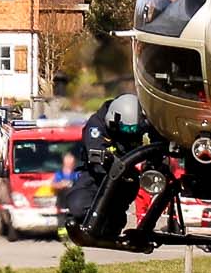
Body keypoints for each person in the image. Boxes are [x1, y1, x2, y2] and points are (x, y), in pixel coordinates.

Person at [70, 93, 150, 238]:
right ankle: (93, 222)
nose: (129, 134)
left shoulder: (141, 123)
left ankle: (113, 225)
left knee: (120, 206)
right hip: (95, 175)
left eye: (133, 130)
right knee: (78, 207)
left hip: (126, 176)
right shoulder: (96, 126)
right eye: (126, 129)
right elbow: (96, 156)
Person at [52, 151, 80, 237]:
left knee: (74, 217)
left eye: (71, 160)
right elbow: (53, 184)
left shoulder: (76, 173)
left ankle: (74, 234)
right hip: (62, 200)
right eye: (67, 160)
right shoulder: (59, 173)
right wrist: (61, 184)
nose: (69, 162)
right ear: (64, 161)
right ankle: (63, 236)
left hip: (73, 199)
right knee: (61, 218)